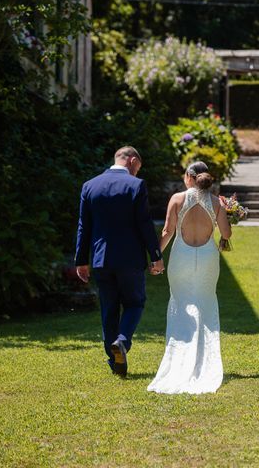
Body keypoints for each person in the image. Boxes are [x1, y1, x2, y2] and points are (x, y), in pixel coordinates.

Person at [74, 146, 165, 377]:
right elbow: (145, 224)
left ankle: (115, 362)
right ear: (132, 161)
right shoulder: (136, 185)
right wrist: (156, 256)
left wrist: (81, 261)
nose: (136, 172)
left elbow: (84, 227)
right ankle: (122, 342)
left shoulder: (90, 186)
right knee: (135, 303)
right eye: (137, 168)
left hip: (100, 258)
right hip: (129, 258)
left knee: (109, 308)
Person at [147, 161, 232, 394]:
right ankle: (204, 360)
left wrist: (156, 258)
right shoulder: (216, 202)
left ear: (189, 177)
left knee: (181, 301)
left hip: (181, 256)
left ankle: (180, 353)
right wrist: (227, 215)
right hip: (206, 258)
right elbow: (226, 234)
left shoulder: (177, 199)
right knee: (205, 302)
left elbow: (167, 231)